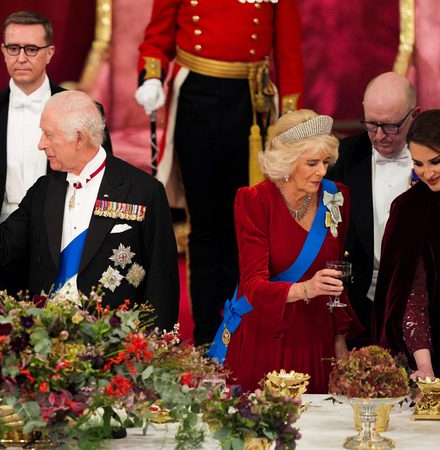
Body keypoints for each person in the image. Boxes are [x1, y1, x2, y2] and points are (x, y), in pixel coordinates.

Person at [134, 0, 304, 345]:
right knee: (206, 224)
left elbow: (288, 48)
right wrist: (152, 76)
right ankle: (206, 335)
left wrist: (290, 114)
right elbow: (157, 37)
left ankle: (243, 331)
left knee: (246, 222)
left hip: (251, 104)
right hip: (196, 98)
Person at [0, 90, 178, 331]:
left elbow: (162, 281)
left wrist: (156, 346)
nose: (41, 144)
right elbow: (2, 248)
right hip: (45, 338)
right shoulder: (44, 190)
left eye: (48, 134)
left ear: (78, 138)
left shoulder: (142, 190)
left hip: (114, 342)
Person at [0, 10, 112, 293]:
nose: (21, 57)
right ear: (3, 51)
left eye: (32, 49)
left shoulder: (86, 112)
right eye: (13, 48)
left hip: (63, 240)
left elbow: (103, 179)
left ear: (50, 52)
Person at [217, 110, 362, 393]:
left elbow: (335, 276)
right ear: (286, 162)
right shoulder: (254, 202)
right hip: (268, 335)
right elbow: (253, 287)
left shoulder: (336, 197)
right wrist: (306, 288)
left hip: (317, 334)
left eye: (325, 162)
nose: (322, 171)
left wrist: (339, 337)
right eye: (312, 163)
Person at [327, 72, 418, 348]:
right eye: (370, 124)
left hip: (421, 304)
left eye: (391, 126)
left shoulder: (433, 157)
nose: (378, 136)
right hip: (359, 306)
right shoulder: (345, 156)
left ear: (415, 115)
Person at [373, 110, 440, 380]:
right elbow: (411, 296)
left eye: (435, 162)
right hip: (432, 354)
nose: (427, 173)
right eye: (418, 163)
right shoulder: (409, 209)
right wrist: (424, 366)